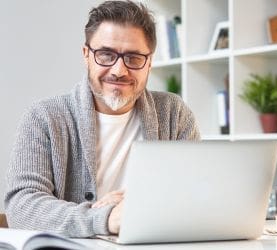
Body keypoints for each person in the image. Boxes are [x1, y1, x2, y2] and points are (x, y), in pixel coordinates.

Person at [4, 0, 200, 238]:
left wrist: (140, 204)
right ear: (86, 55)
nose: (119, 70)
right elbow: (22, 206)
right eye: (106, 55)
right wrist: (107, 218)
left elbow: (192, 193)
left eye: (134, 57)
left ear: (149, 62)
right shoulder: (44, 117)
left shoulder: (174, 114)